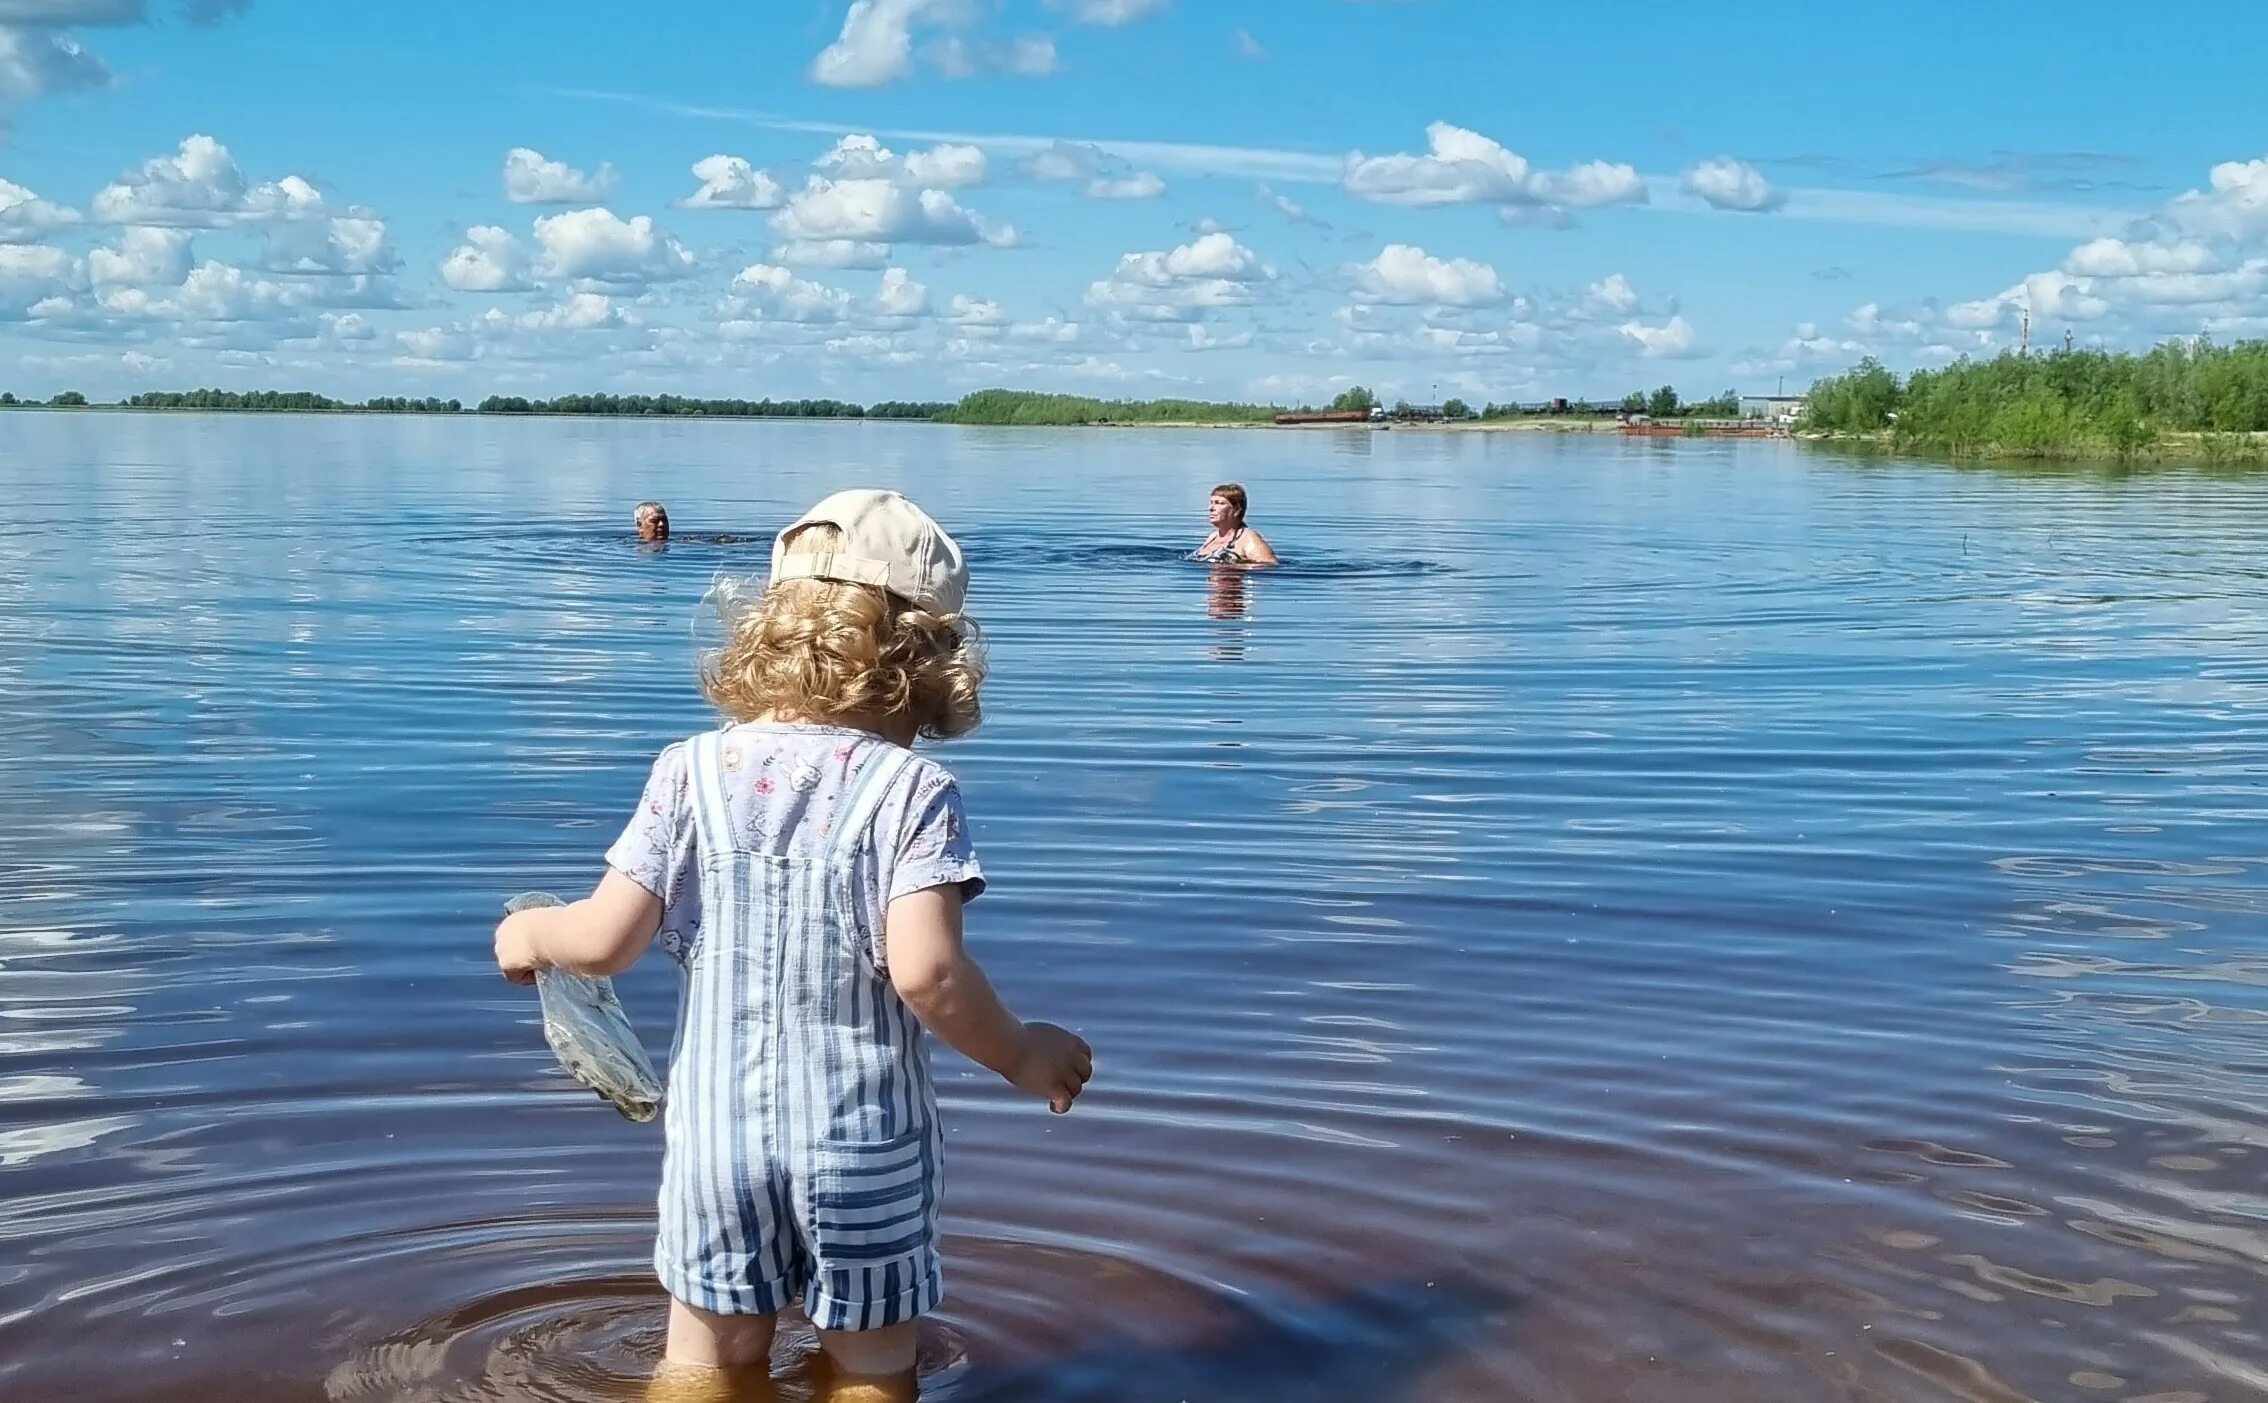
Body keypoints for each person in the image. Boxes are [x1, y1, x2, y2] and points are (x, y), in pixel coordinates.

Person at [494, 488, 1093, 1396]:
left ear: (768, 623)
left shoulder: (687, 769)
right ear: (927, 656)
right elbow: (928, 972)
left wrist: (529, 929)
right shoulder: (912, 789)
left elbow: (607, 938)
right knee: (871, 1363)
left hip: (715, 1144)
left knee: (707, 1356)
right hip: (864, 1146)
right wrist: (1022, 1053)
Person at [1191, 483, 1277, 566]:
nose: (1211, 508)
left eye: (1219, 503)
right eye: (1211, 502)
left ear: (1236, 509)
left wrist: (1235, 565)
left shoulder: (1248, 537)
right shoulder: (1213, 536)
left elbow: (1269, 564)